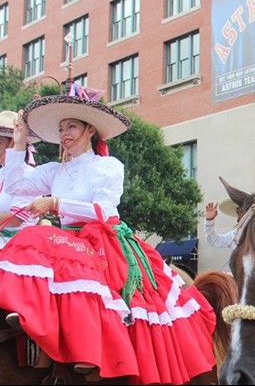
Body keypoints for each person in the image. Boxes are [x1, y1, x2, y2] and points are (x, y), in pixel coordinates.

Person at [0, 94, 216, 384]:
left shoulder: (108, 166)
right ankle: (33, 329)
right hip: (65, 243)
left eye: (72, 127)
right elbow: (14, 185)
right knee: (37, 242)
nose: (64, 134)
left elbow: (103, 211)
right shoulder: (54, 170)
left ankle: (96, 352)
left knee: (38, 238)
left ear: (90, 130)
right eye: (62, 128)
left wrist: (55, 204)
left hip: (98, 239)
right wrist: (19, 141)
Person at [0, 110, 41, 248]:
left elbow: (16, 218)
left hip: (17, 248)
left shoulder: (29, 175)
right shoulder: (1, 173)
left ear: (13, 143)